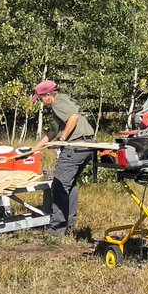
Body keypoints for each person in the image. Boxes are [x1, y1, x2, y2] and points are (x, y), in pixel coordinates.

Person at [31, 80, 96, 237]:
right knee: (69, 185)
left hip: (75, 147)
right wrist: (34, 150)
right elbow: (53, 132)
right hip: (87, 145)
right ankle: (69, 224)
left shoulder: (58, 103)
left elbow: (73, 118)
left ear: (48, 95)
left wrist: (63, 139)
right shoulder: (64, 100)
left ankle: (56, 231)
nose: (41, 102)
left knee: (59, 186)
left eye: (40, 98)